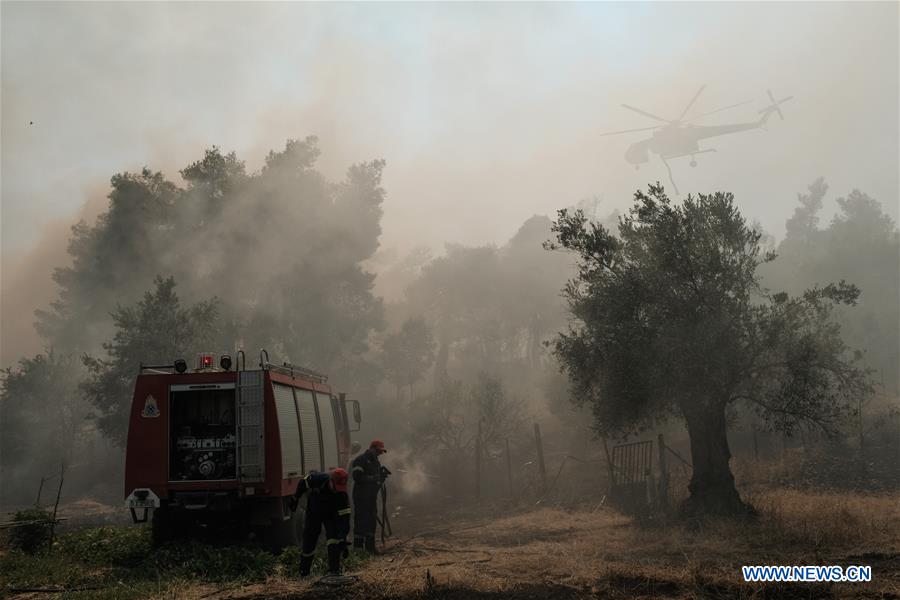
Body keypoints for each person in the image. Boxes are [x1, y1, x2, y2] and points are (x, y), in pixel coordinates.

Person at [289, 468, 351, 577]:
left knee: (334, 539)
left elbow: (344, 520)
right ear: (331, 481)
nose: (337, 491)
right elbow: (303, 482)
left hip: (331, 515)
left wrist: (343, 538)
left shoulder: (342, 496)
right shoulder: (318, 479)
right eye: (336, 487)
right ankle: (304, 573)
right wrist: (295, 497)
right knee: (309, 540)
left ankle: (334, 572)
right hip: (314, 512)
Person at [350, 439, 389, 552]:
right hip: (361, 497)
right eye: (378, 451)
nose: (379, 454)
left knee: (371, 521)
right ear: (372, 448)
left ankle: (370, 548)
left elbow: (376, 482)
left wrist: (381, 478)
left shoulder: (376, 462)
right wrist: (373, 478)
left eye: (381, 452)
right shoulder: (360, 460)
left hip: (371, 497)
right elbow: (357, 477)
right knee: (361, 521)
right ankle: (358, 549)